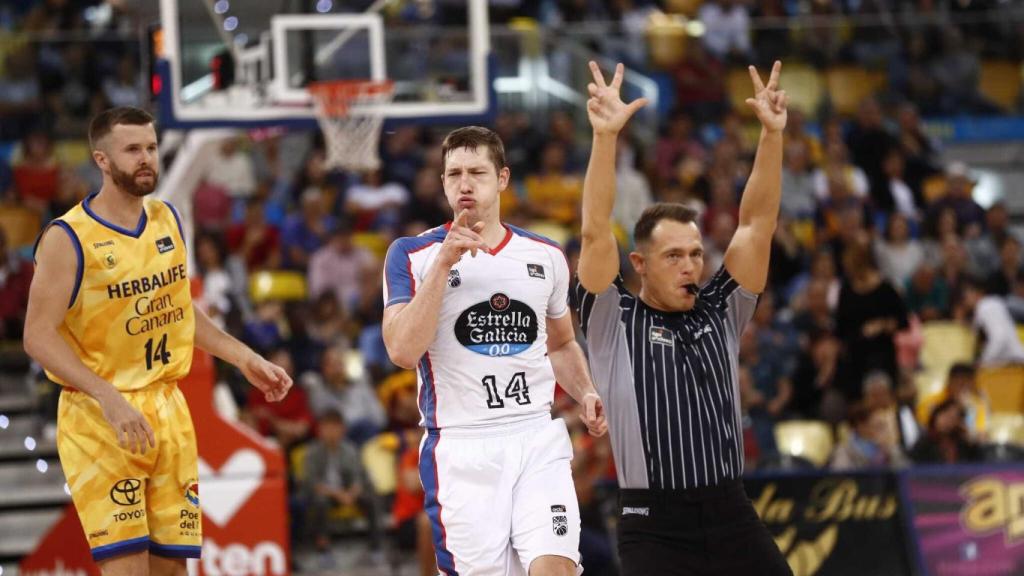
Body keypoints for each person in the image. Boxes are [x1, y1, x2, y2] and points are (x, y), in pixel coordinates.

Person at [22, 107, 293, 575]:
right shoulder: (68, 237)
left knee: (174, 570)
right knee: (128, 569)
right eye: (132, 150)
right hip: (100, 417)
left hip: (166, 408)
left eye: (150, 147)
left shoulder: (166, 218)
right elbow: (36, 336)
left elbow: (178, 310)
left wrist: (242, 357)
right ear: (102, 161)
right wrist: (107, 395)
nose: (146, 158)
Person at [573, 61, 791, 575]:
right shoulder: (612, 319)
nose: (691, 264)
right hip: (655, 526)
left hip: (731, 512)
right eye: (674, 256)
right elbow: (594, 233)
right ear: (641, 264)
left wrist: (771, 136)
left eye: (695, 253)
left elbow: (757, 223)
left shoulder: (721, 307)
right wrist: (605, 139)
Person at [382, 125, 607, 575]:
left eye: (477, 172)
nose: (464, 184)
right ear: (443, 183)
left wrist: (584, 390)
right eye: (453, 174)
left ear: (502, 178)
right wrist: (445, 264)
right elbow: (403, 351)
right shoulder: (412, 255)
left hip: (534, 436)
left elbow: (561, 342)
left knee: (556, 567)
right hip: (462, 448)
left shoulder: (544, 255)